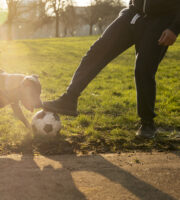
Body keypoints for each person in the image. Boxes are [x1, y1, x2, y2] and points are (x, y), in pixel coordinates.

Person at [43, 0, 180, 139]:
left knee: (144, 69)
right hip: (133, 13)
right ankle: (69, 99)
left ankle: (147, 123)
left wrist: (175, 27)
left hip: (162, 20)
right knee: (98, 51)